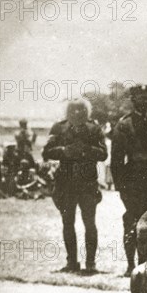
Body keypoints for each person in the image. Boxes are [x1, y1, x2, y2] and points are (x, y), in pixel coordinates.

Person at [43, 100, 107, 273]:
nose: (78, 112)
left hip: (87, 184)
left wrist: (85, 150)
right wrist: (65, 151)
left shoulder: (94, 129)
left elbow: (103, 154)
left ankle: (91, 263)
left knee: (90, 224)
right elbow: (46, 152)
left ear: (87, 111)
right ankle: (72, 262)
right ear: (68, 111)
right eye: (74, 109)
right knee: (67, 223)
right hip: (66, 184)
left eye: (81, 109)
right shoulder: (58, 128)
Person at [111, 85, 147, 277]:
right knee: (132, 222)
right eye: (139, 98)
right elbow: (117, 160)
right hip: (132, 183)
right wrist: (121, 186)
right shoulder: (124, 125)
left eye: (146, 98)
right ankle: (131, 265)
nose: (144, 102)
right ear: (133, 101)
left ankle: (144, 264)